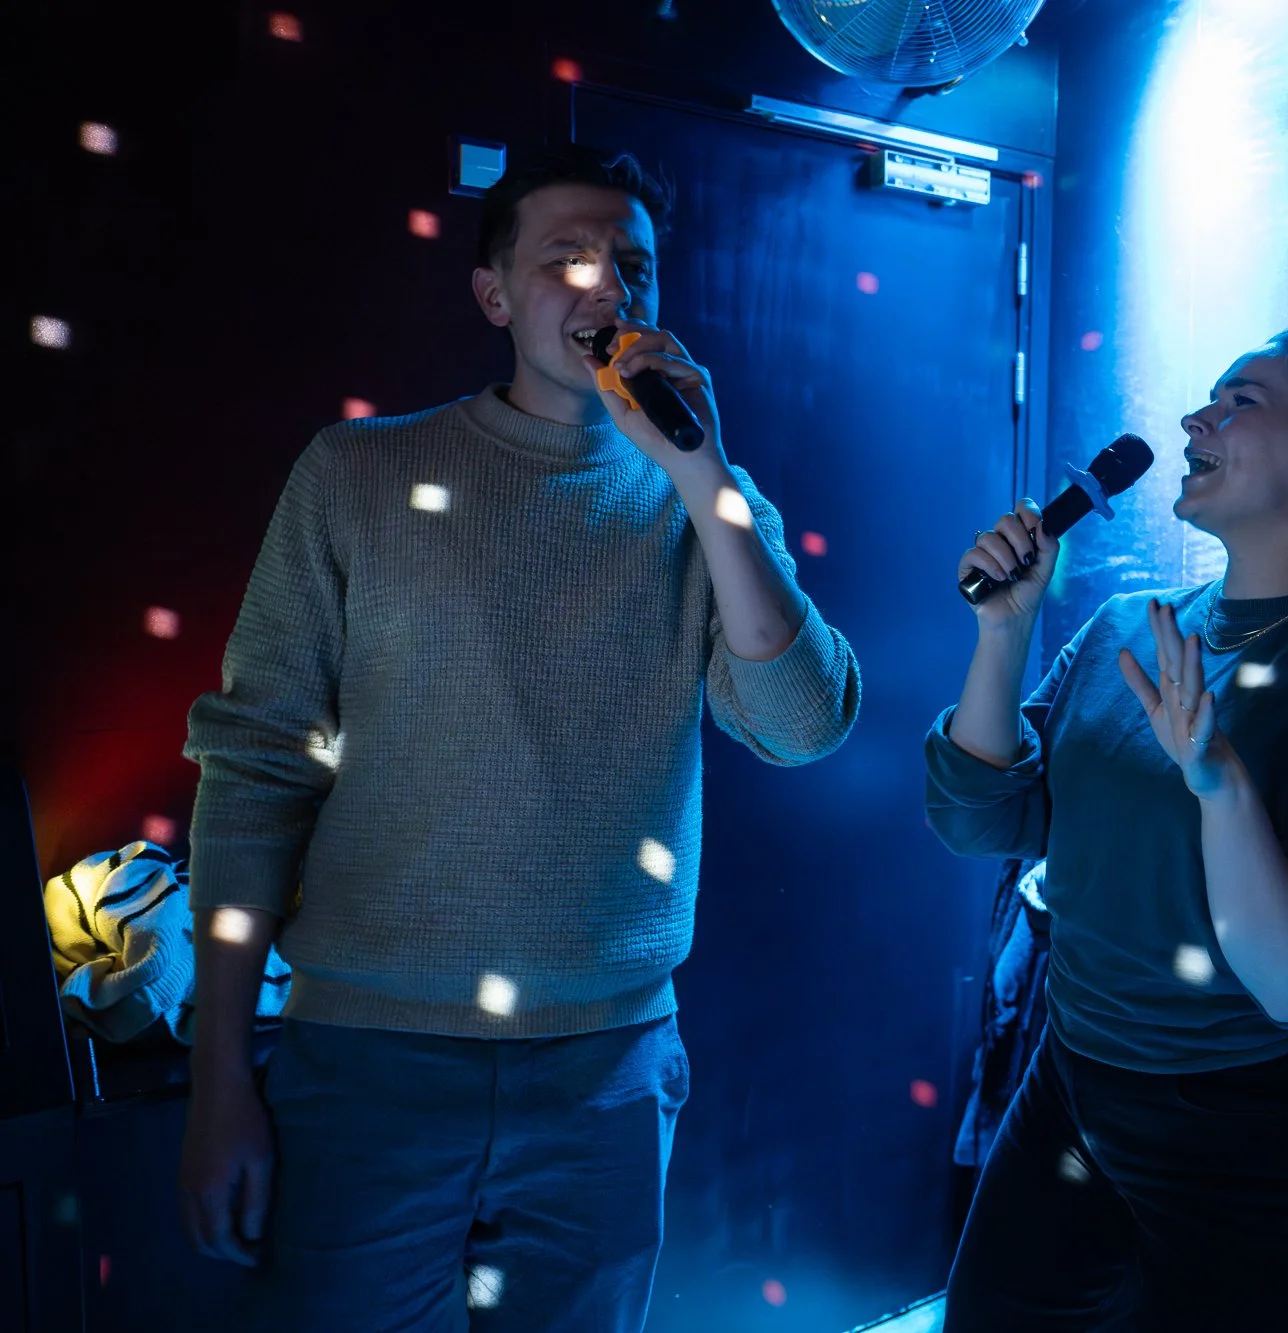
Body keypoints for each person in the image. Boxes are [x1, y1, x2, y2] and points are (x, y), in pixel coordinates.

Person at [176, 145, 861, 1331]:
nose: (606, 290)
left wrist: (703, 478)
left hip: (606, 1062)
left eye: (633, 267)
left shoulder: (704, 494)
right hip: (367, 1055)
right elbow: (254, 772)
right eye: (568, 260)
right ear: (495, 295)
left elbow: (801, 725)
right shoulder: (358, 473)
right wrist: (218, 1075)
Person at [925, 329, 1288, 1330]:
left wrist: (1219, 784)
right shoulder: (1124, 627)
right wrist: (1001, 635)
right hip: (1073, 1083)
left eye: (1241, 400)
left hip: (1260, 1131)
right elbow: (978, 817)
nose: (1192, 419)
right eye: (1205, 399)